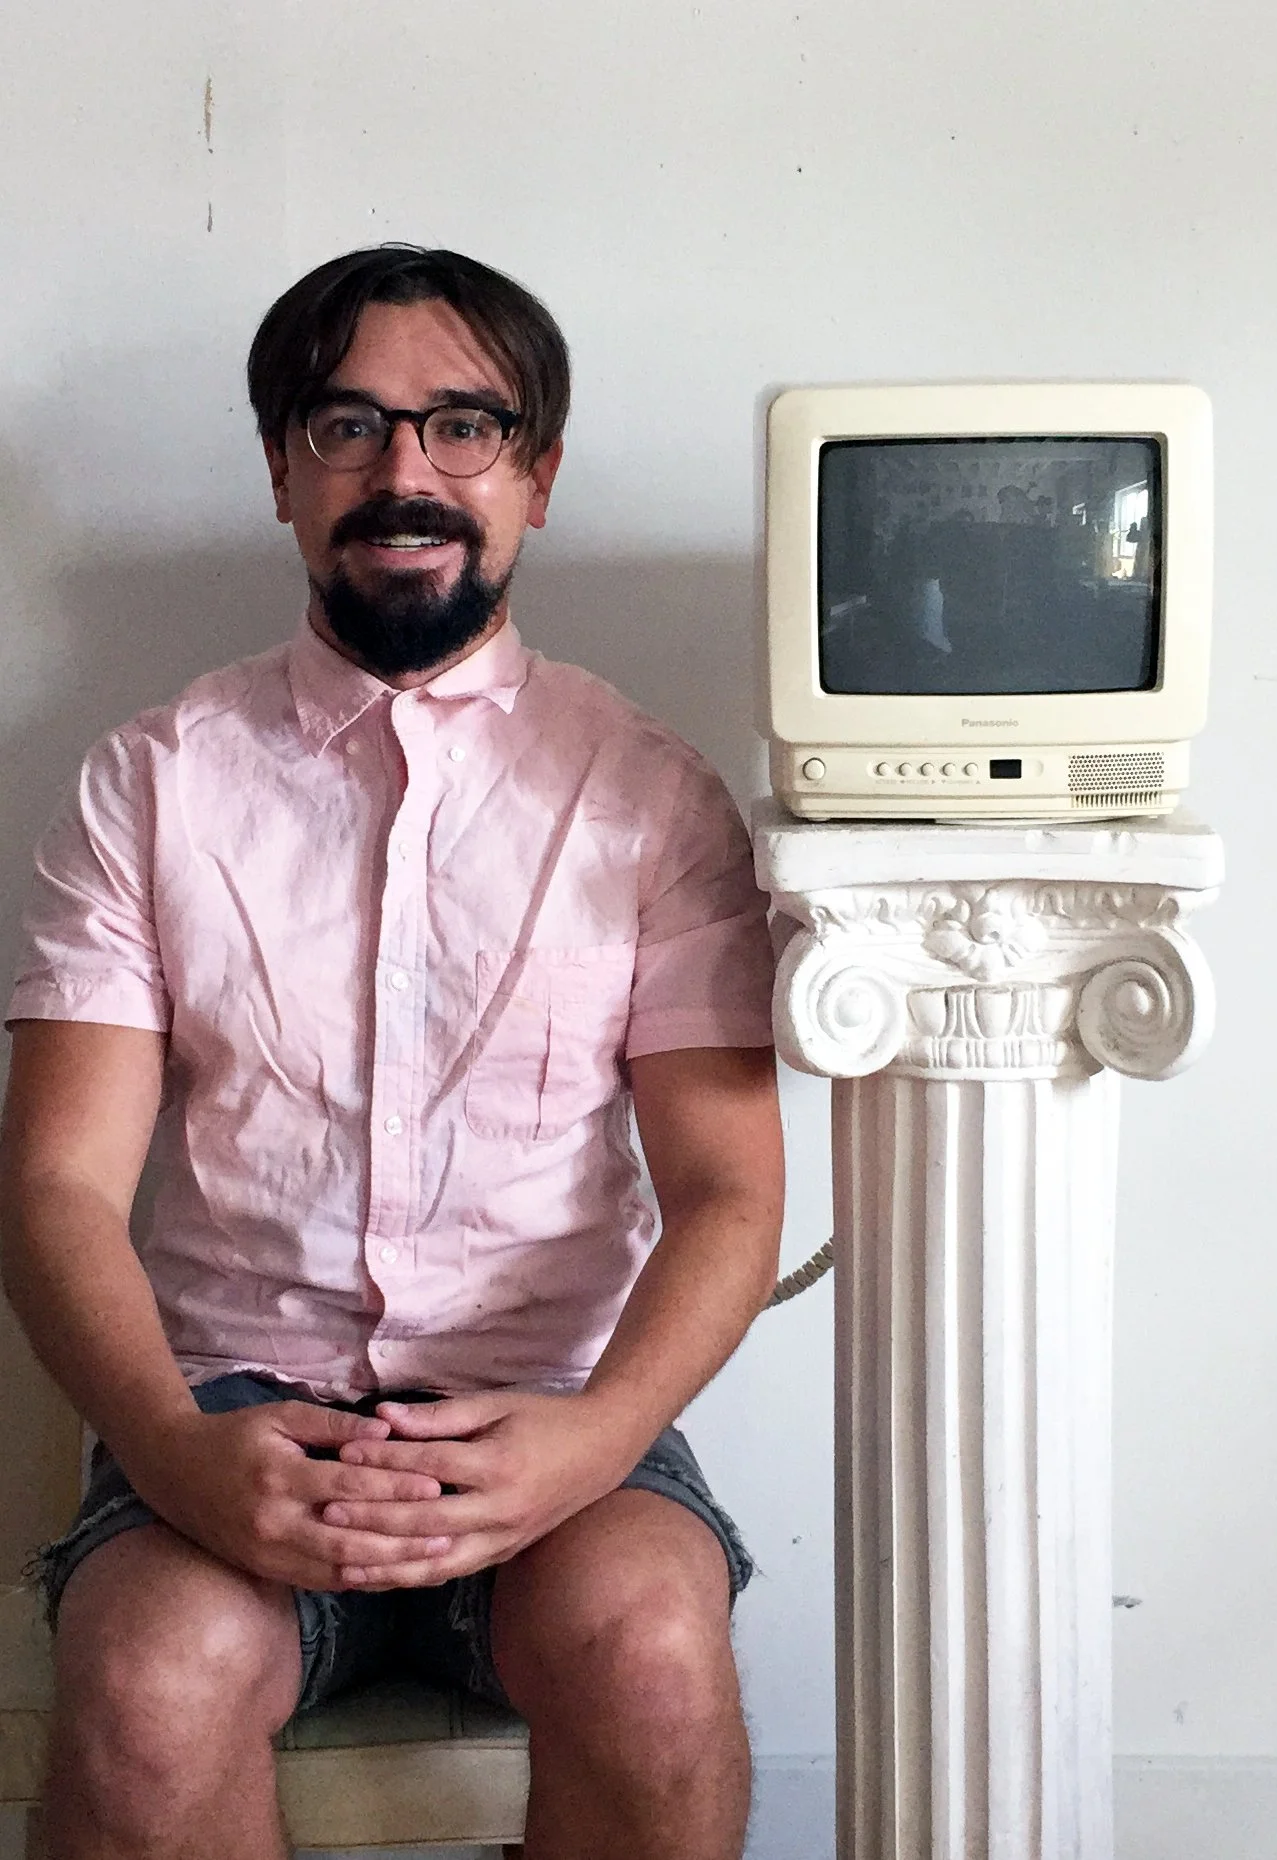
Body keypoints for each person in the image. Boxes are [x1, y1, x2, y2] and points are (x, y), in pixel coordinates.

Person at [0, 245, 783, 1860]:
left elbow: (723, 1192)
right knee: (151, 1691)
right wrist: (171, 1448)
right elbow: (58, 1185)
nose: (404, 472)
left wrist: (600, 1431)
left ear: (537, 475)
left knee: (647, 1656)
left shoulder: (648, 794)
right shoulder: (151, 785)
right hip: (229, 1417)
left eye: (463, 426)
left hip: (556, 1420)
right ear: (283, 468)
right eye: (348, 426)